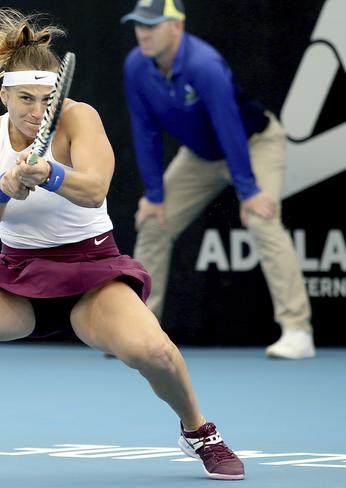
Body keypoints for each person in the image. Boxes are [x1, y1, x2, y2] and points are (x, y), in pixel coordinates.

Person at [0, 8, 244, 484]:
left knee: (157, 354)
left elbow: (96, 188)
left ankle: (199, 431)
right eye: (25, 98)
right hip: (17, 281)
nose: (38, 111)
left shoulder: (79, 118)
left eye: (47, 100)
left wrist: (50, 174)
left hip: (92, 278)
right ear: (3, 94)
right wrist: (4, 186)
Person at [121, 0, 315, 359]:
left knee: (262, 218)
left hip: (255, 144)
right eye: (139, 25)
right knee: (152, 222)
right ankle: (139, 330)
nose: (143, 33)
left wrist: (249, 191)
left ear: (177, 27)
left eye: (153, 24)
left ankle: (298, 330)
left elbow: (230, 129)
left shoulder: (204, 64)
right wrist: (154, 194)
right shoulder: (135, 66)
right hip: (201, 156)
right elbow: (145, 131)